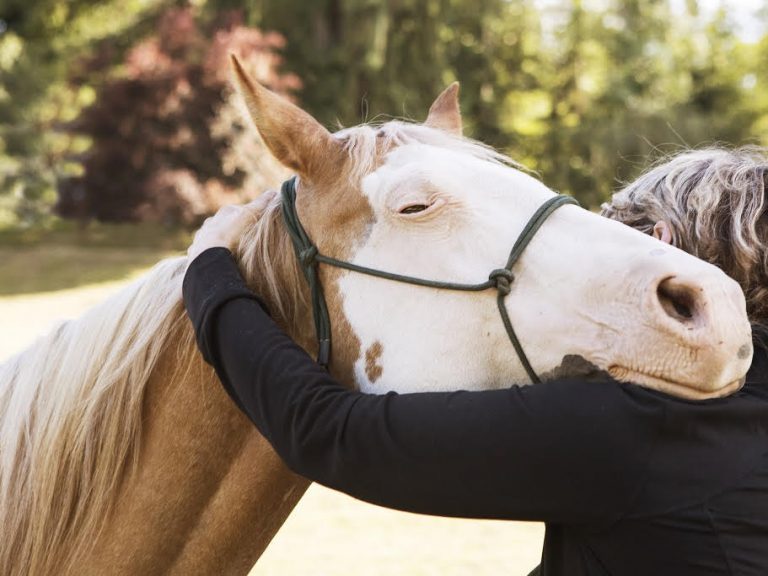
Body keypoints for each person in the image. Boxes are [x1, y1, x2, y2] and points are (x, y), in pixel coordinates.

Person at [183, 148, 768, 576]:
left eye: (619, 231)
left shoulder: (644, 428)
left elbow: (331, 433)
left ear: (664, 252)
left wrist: (209, 272)